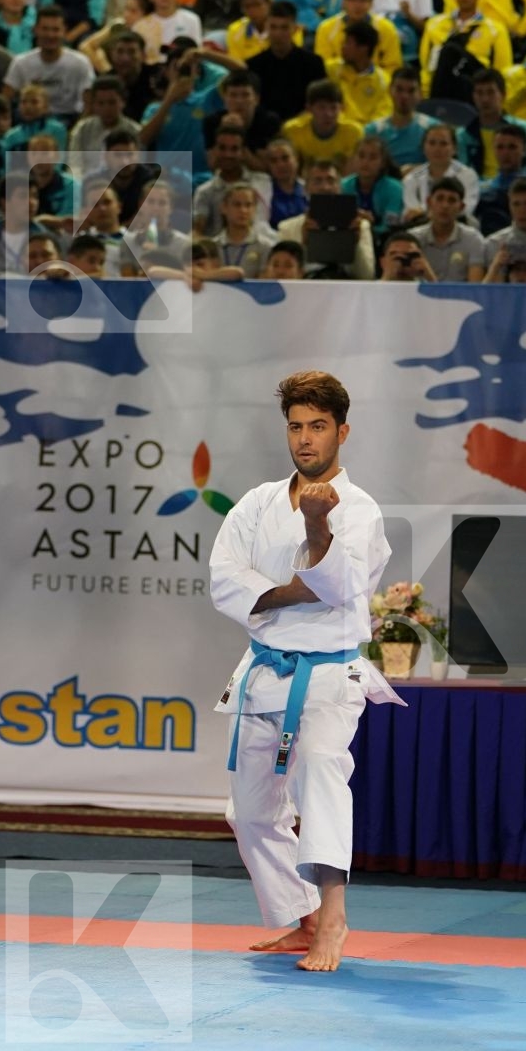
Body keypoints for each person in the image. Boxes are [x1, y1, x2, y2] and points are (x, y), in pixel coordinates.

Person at [208, 370, 402, 973]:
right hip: (263, 669)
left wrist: (317, 529)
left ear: (342, 432)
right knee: (248, 812)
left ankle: (333, 917)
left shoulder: (360, 509)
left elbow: (339, 587)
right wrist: (295, 591)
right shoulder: (257, 503)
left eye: (318, 426)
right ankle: (303, 918)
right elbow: (223, 580)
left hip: (328, 674)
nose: (305, 439)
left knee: (320, 773)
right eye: (296, 427)